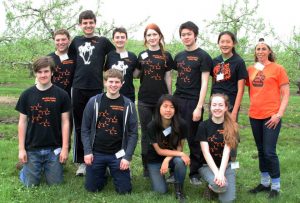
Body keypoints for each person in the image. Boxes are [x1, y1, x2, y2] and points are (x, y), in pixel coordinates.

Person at [68, 10, 115, 175]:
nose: (88, 25)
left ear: (95, 23)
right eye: (84, 23)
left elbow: (113, 59)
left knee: (99, 125)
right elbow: (71, 64)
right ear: (80, 25)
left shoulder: (103, 42)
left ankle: (101, 159)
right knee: (80, 126)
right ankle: (81, 161)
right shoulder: (75, 42)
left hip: (97, 88)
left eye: (91, 22)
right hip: (78, 88)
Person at [16, 56, 71, 187]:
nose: (43, 75)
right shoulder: (26, 95)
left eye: (46, 71)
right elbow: (22, 122)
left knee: (55, 184)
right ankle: (26, 170)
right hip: (32, 148)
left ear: (52, 72)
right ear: (35, 73)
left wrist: (64, 148)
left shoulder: (62, 95)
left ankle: (46, 167)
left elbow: (65, 122)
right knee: (31, 185)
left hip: (53, 148)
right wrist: (21, 149)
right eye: (39, 72)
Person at [81, 69, 138, 194]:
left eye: (117, 82)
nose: (113, 85)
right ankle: (103, 173)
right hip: (96, 153)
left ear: (122, 84)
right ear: (105, 82)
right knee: (92, 188)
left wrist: (127, 157)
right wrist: (87, 151)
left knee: (125, 191)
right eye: (110, 81)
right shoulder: (94, 102)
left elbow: (133, 133)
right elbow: (85, 129)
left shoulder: (128, 105)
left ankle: (113, 170)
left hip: (118, 154)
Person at [247, 38, 290, 198]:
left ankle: (276, 186)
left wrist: (279, 114)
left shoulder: (278, 69)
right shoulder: (251, 69)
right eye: (258, 49)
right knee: (260, 150)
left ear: (269, 51)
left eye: (264, 49)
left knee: (269, 151)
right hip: (254, 115)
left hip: (271, 116)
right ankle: (264, 183)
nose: (260, 51)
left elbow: (286, 94)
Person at [172, 21, 213, 185]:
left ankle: (195, 172)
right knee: (175, 135)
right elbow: (177, 77)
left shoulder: (203, 56)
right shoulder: (179, 56)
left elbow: (205, 83)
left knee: (193, 137)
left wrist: (199, 107)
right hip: (177, 99)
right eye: (183, 34)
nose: (186, 37)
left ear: (195, 35)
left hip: (193, 102)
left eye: (189, 34)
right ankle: (174, 170)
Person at [135, 23, 174, 177]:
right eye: (148, 35)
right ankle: (147, 167)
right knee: (146, 134)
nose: (152, 37)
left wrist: (170, 98)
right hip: (144, 100)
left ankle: (169, 166)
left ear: (160, 36)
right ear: (145, 38)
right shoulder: (142, 55)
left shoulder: (167, 56)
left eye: (154, 34)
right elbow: (136, 74)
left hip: (162, 101)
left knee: (165, 132)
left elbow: (168, 77)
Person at [210, 31, 248, 162]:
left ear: (233, 43)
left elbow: (241, 89)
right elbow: (213, 83)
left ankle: (231, 165)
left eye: (228, 41)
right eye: (222, 41)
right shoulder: (215, 61)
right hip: (215, 104)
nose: (225, 44)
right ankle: (215, 162)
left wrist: (234, 111)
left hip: (230, 105)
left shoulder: (238, 62)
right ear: (218, 43)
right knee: (214, 133)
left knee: (231, 135)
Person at [196, 93, 239, 202]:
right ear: (210, 107)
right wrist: (217, 173)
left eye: (220, 105)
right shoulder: (203, 126)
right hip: (207, 166)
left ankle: (215, 186)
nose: (217, 108)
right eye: (214, 105)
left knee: (228, 200)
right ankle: (211, 186)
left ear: (226, 107)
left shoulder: (232, 126)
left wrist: (221, 172)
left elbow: (226, 152)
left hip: (227, 165)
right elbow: (206, 153)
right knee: (221, 186)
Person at [146, 94, 189, 202]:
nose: (168, 110)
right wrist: (180, 154)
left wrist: (167, 159)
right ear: (159, 108)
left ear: (175, 109)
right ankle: (158, 175)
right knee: (161, 190)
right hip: (154, 160)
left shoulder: (182, 125)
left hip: (172, 157)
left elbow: (179, 147)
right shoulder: (152, 126)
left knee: (180, 161)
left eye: (172, 107)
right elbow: (159, 151)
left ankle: (179, 189)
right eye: (165, 106)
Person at [49, 29, 75, 152]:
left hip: (69, 100)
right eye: (58, 40)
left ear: (68, 40)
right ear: (54, 41)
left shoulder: (74, 57)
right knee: (51, 127)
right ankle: (47, 154)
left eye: (63, 39)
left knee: (67, 128)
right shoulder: (49, 58)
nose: (61, 42)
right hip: (51, 99)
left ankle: (63, 155)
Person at [104, 27, 139, 103]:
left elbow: (135, 74)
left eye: (122, 37)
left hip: (128, 95)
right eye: (117, 37)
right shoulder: (109, 56)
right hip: (112, 94)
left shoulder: (132, 56)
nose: (120, 40)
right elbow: (106, 74)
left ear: (126, 39)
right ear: (113, 40)